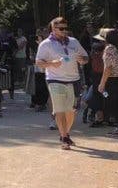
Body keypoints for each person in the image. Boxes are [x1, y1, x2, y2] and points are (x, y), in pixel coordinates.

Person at [34, 18, 88, 149]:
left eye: (66, 28)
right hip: (55, 80)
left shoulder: (74, 41)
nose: (65, 31)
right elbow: (38, 62)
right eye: (61, 28)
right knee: (60, 110)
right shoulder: (46, 44)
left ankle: (65, 133)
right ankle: (64, 137)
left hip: (74, 79)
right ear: (53, 29)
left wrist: (83, 60)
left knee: (71, 111)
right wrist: (51, 64)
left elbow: (85, 57)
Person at [97, 28, 118, 135]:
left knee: (113, 104)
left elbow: (108, 68)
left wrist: (102, 83)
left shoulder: (109, 49)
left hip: (113, 80)